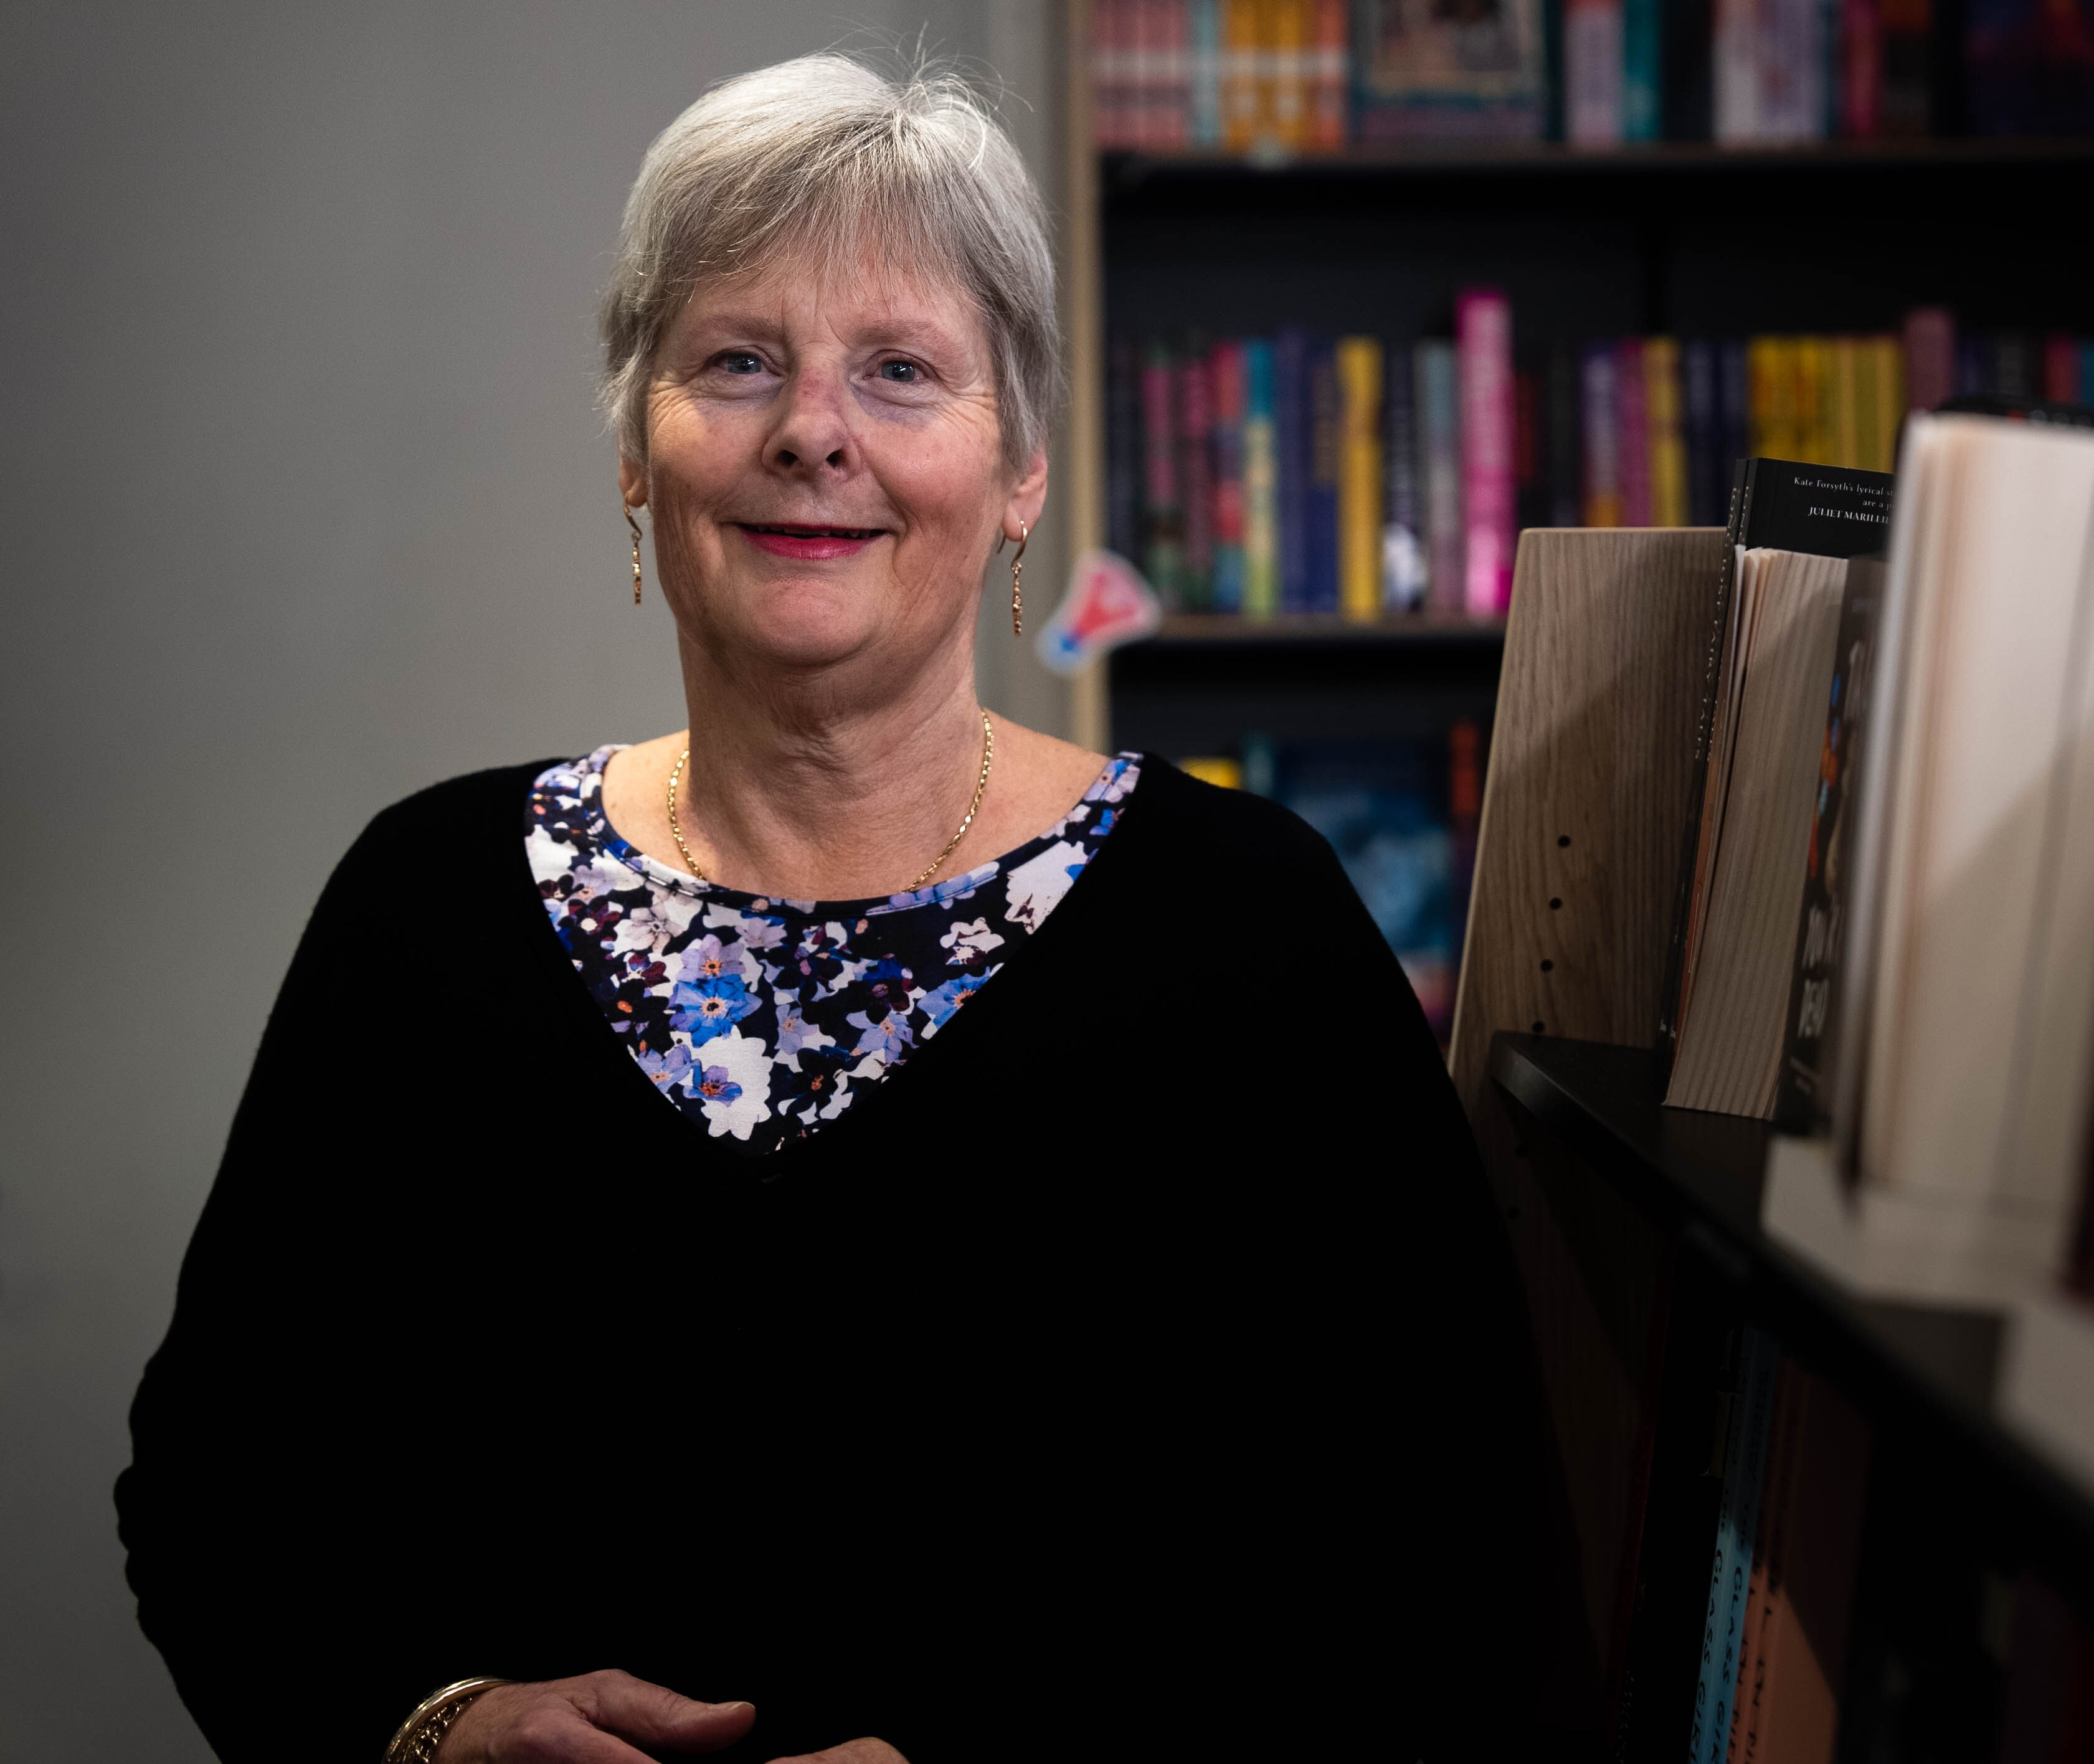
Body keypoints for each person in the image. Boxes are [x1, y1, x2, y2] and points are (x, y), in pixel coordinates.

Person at [115, 54, 1574, 1764]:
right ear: (636, 455)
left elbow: (1453, 1582)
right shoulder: (421, 904)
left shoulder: (1251, 929)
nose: (812, 430)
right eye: (737, 362)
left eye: (900, 370)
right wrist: (438, 1727)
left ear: (1021, 469)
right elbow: (217, 1500)